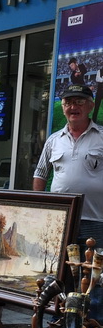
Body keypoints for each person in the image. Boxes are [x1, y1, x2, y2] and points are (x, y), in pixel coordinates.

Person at [33, 84, 103, 245]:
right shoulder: (53, 140)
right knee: (59, 266)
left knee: (93, 268)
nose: (73, 107)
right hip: (61, 217)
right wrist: (39, 207)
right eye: (68, 102)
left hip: (96, 220)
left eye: (79, 101)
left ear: (90, 106)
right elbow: (40, 174)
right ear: (63, 107)